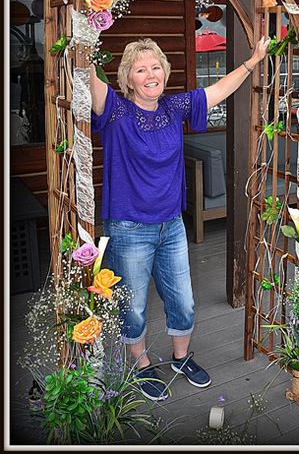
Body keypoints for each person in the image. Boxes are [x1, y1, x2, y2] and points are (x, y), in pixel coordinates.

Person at [90, 35, 270, 401]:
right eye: (141, 69)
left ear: (165, 72)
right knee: (134, 305)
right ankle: (141, 365)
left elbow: (220, 88)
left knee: (183, 300)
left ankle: (181, 358)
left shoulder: (174, 108)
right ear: (128, 79)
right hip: (127, 227)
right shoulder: (114, 110)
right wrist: (83, 34)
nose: (150, 74)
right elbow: (88, 77)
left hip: (171, 225)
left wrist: (252, 62)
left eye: (155, 66)